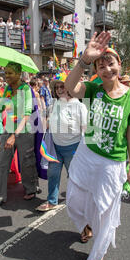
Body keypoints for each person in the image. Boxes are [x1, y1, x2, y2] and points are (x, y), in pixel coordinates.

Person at [64, 33, 130, 260]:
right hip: (86, 154)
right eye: (101, 65)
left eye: (111, 63)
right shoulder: (92, 90)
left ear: (120, 65)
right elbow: (69, 87)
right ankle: (85, 225)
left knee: (105, 211)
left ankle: (96, 257)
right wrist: (84, 61)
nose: (107, 69)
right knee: (74, 202)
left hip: (112, 162)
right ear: (96, 69)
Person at [0, 62, 40, 208]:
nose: (6, 76)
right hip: (9, 129)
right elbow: (1, 109)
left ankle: (31, 188)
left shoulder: (24, 89)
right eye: (5, 73)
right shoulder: (7, 89)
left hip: (24, 131)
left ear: (19, 74)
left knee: (26, 162)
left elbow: (26, 114)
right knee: (1, 162)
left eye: (10, 73)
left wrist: (14, 136)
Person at [36, 79, 88, 212]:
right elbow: (48, 123)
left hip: (73, 149)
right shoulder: (54, 104)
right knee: (53, 174)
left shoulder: (79, 106)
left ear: (70, 88)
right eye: (57, 87)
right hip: (55, 148)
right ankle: (52, 201)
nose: (59, 89)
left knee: (74, 177)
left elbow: (86, 129)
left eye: (62, 86)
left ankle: (79, 204)